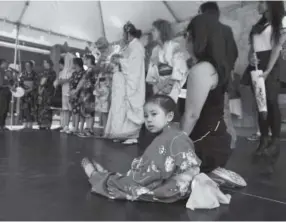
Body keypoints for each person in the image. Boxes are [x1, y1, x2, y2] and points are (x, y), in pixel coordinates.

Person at [81, 95, 201, 202]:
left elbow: (151, 175)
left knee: (123, 183)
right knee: (130, 178)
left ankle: (97, 176)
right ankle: (106, 175)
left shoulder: (169, 138)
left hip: (172, 188)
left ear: (169, 116)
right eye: (146, 116)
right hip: (179, 185)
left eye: (154, 114)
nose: (149, 119)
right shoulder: (175, 135)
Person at [181, 14, 233, 175]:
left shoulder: (201, 70)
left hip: (203, 145)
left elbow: (192, 115)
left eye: (186, 35)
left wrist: (174, 145)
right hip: (213, 140)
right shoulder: (214, 67)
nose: (185, 41)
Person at [241, 1, 286, 173]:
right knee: (260, 104)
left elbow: (277, 46)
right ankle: (264, 139)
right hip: (257, 64)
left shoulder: (282, 21)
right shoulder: (258, 24)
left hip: (272, 65)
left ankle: (275, 141)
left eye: (261, 1)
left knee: (271, 102)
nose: (258, 4)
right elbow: (253, 47)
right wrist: (250, 58)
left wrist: (268, 70)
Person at [198, 1, 238, 149]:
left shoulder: (203, 32)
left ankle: (215, 142)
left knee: (209, 111)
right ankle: (230, 142)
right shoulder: (226, 30)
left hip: (208, 76)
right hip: (223, 76)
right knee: (224, 110)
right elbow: (234, 53)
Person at [108, 21, 146, 145]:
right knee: (121, 108)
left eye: (123, 34)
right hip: (123, 82)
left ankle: (132, 134)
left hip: (132, 82)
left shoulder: (137, 47)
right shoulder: (129, 46)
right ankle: (122, 133)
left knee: (130, 107)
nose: (122, 37)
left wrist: (120, 61)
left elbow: (133, 68)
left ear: (128, 34)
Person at [146, 19, 188, 103]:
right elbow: (152, 73)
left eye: (154, 30)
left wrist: (166, 86)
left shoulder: (175, 46)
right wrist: (158, 86)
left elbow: (179, 70)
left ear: (161, 31)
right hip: (159, 87)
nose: (151, 32)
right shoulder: (155, 50)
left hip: (173, 86)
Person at [78, 54, 97, 137]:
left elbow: (86, 80)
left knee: (89, 111)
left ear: (89, 59)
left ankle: (90, 129)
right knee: (87, 111)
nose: (83, 60)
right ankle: (88, 129)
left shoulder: (92, 69)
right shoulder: (89, 69)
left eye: (85, 59)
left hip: (89, 92)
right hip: (86, 92)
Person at [37, 59, 57, 130]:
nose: (44, 64)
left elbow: (46, 82)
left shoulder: (52, 72)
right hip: (42, 92)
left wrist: (42, 85)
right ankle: (41, 123)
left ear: (49, 63)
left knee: (47, 107)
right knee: (41, 107)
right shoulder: (44, 72)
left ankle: (47, 124)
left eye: (45, 63)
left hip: (48, 92)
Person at [58, 53, 75, 133]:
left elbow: (71, 80)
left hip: (70, 92)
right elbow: (60, 81)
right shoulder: (63, 71)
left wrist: (64, 80)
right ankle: (65, 125)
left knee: (71, 109)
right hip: (64, 91)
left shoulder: (73, 70)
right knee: (65, 109)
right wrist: (64, 80)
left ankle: (74, 126)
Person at [69, 57, 86, 134]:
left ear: (76, 64)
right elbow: (71, 83)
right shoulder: (74, 73)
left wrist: (76, 92)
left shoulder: (83, 73)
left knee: (81, 111)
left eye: (73, 63)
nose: (72, 65)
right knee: (75, 111)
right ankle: (75, 127)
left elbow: (83, 84)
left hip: (80, 94)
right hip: (73, 94)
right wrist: (71, 92)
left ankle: (81, 128)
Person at [19, 61, 38, 130]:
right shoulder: (22, 74)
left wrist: (29, 90)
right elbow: (20, 83)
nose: (27, 67)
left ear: (31, 66)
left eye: (29, 66)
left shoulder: (35, 74)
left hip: (31, 94)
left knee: (31, 108)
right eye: (26, 66)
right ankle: (25, 123)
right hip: (23, 94)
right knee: (24, 109)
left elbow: (36, 84)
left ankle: (30, 123)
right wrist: (22, 90)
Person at [0, 59, 13, 132]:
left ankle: (3, 125)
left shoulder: (5, 72)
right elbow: (1, 84)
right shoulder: (0, 71)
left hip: (7, 93)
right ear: (2, 63)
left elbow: (8, 81)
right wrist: (8, 86)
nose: (7, 64)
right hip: (2, 94)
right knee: (2, 109)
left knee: (5, 110)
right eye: (6, 63)